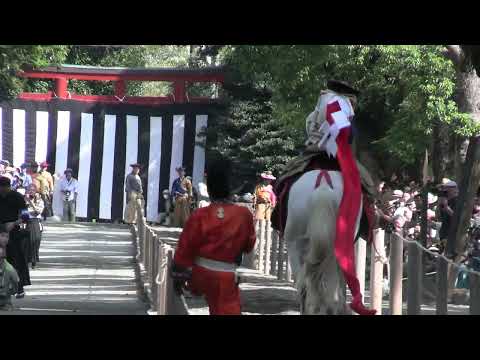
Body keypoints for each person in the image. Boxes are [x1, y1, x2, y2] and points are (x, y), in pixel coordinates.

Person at [171, 156, 256, 315]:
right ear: (232, 187)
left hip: (198, 275)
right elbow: (248, 246)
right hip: (225, 276)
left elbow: (185, 248)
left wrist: (178, 274)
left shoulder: (199, 214)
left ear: (209, 188)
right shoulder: (244, 214)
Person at [0, 176, 31, 298]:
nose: (3, 192)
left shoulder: (17, 197)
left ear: (9, 187)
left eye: (5, 189)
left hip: (13, 231)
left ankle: (19, 287)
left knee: (16, 258)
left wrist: (13, 223)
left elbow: (25, 216)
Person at [0, 234, 20, 310]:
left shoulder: (9, 269)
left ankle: (6, 302)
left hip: (4, 297)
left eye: (7, 237)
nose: (5, 239)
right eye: (2, 236)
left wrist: (10, 292)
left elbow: (15, 282)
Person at [25, 190, 44, 268]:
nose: (33, 193)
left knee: (35, 241)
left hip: (36, 222)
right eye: (31, 191)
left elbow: (37, 212)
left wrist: (31, 203)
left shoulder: (40, 201)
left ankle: (34, 260)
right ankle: (27, 260)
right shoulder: (25, 201)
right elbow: (23, 213)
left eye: (34, 191)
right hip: (27, 222)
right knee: (27, 242)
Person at [439, 180, 459, 254]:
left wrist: (446, 207)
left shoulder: (458, 201)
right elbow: (439, 217)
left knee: (447, 256)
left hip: (452, 233)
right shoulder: (446, 201)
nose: (445, 191)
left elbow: (457, 217)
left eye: (447, 188)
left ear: (453, 189)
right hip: (444, 232)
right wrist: (441, 206)